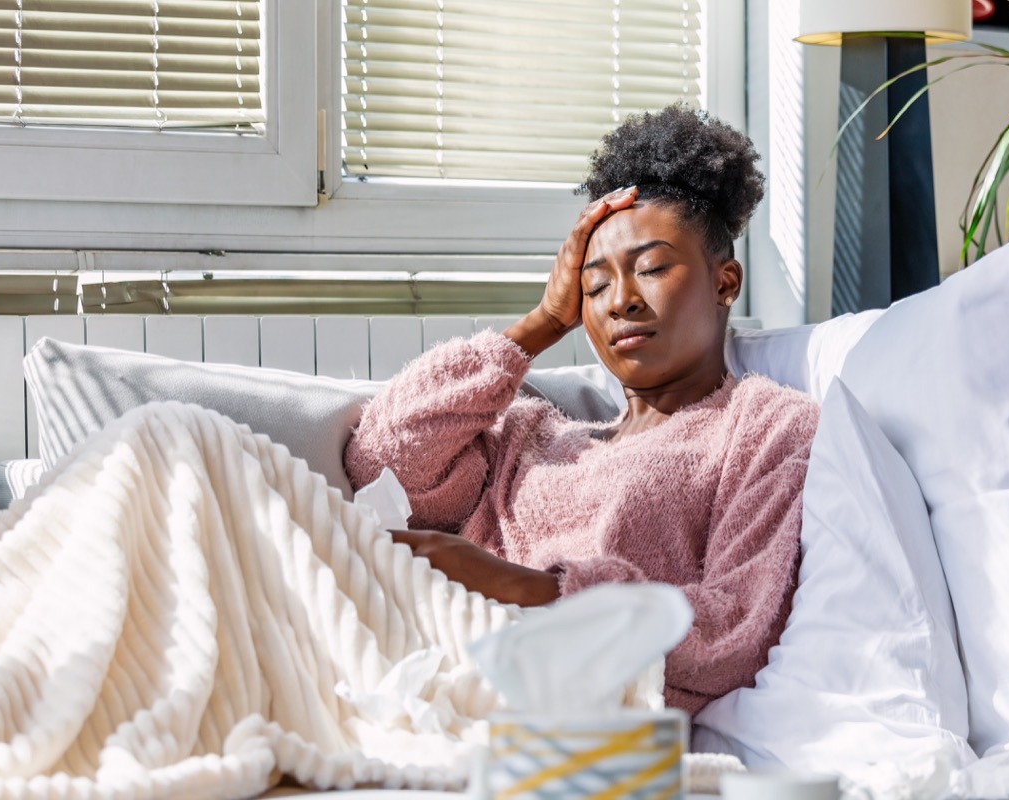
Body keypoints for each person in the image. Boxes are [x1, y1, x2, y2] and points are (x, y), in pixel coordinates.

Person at [345, 104, 820, 716]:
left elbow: (735, 627)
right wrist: (541, 323)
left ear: (725, 282)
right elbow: (379, 461)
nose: (620, 300)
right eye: (592, 287)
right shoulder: (529, 433)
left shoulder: (764, 425)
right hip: (419, 651)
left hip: (531, 695)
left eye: (650, 268)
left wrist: (532, 589)